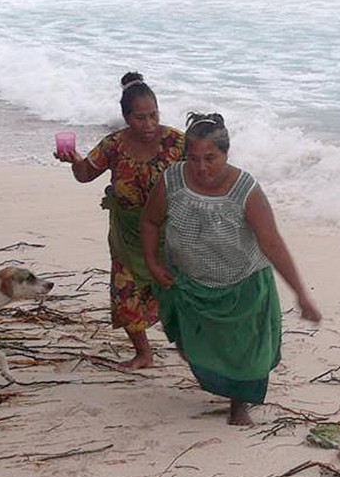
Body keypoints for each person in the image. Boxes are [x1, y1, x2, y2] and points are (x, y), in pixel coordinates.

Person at [140, 112, 322, 426]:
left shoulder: (245, 190)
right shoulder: (173, 180)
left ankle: (240, 405)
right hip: (189, 282)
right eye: (193, 158)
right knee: (193, 345)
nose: (201, 167)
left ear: (226, 153)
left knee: (247, 354)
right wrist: (152, 262)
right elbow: (150, 221)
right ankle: (218, 380)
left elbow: (272, 242)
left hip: (242, 283)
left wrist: (300, 293)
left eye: (210, 158)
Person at [55, 72, 184, 370]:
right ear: (126, 117)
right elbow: (85, 175)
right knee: (125, 292)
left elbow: (206, 170)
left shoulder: (177, 142)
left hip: (171, 233)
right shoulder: (114, 145)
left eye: (154, 115)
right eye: (140, 118)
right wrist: (74, 161)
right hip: (127, 234)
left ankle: (194, 349)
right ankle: (143, 353)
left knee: (179, 294)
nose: (149, 124)